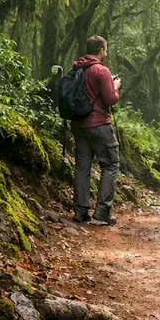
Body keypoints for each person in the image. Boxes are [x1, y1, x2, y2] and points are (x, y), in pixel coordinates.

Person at [71, 36, 121, 225]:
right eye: (105, 50)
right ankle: (101, 212)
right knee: (110, 165)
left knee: (82, 167)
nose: (105, 53)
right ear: (101, 50)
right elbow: (110, 99)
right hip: (99, 124)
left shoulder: (77, 68)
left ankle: (80, 211)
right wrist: (116, 87)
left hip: (79, 125)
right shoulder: (101, 70)